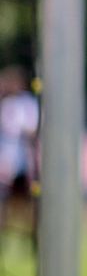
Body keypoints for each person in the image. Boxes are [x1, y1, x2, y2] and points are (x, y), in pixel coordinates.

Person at [0, 66, 39, 244]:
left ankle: (32, 237)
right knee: (5, 201)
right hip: (7, 161)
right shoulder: (6, 104)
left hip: (25, 160)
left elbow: (32, 129)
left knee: (28, 200)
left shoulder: (28, 103)